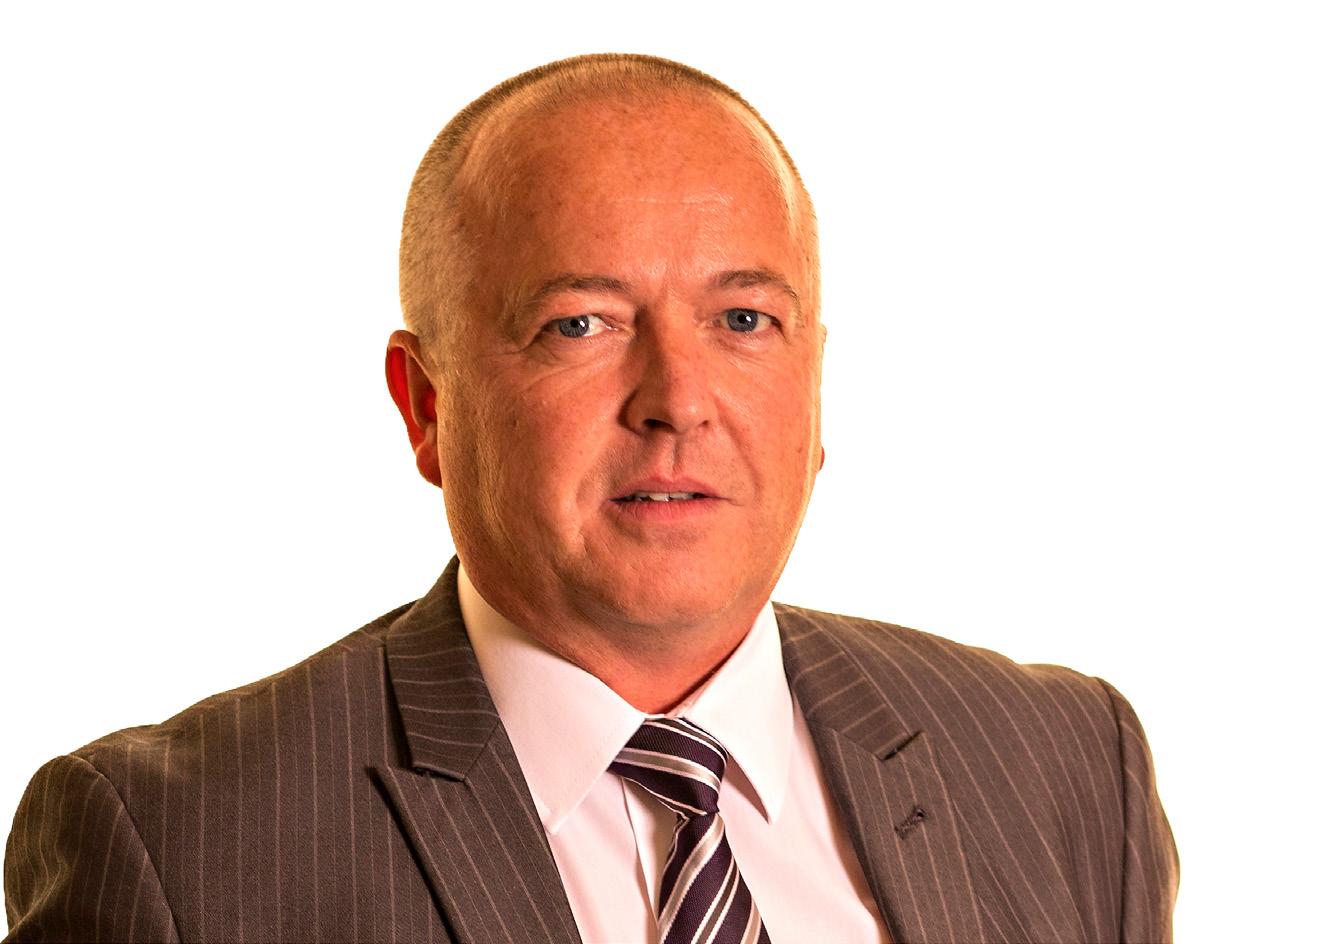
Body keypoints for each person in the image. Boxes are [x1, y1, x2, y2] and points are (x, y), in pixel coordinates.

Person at [2, 53, 1177, 944]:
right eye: (581, 323)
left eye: (744, 319)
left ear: (816, 383)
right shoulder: (180, 847)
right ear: (427, 406)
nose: (678, 400)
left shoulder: (1068, 763)